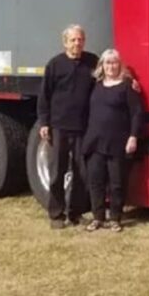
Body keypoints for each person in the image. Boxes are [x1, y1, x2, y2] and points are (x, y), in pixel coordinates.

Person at [37, 24, 97, 229]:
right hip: (59, 126)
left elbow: (108, 76)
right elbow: (44, 96)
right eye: (73, 40)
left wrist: (129, 81)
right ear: (65, 43)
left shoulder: (91, 62)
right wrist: (44, 122)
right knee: (57, 171)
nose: (77, 43)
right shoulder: (54, 65)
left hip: (83, 127)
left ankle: (76, 213)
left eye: (80, 39)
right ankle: (56, 214)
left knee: (82, 172)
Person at [82, 49, 143, 233]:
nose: (111, 66)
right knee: (96, 181)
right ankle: (98, 218)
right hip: (95, 142)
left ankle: (115, 218)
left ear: (119, 65)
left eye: (114, 62)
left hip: (118, 143)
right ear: (102, 65)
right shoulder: (95, 85)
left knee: (117, 183)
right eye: (107, 63)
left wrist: (133, 137)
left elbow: (136, 114)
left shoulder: (127, 86)